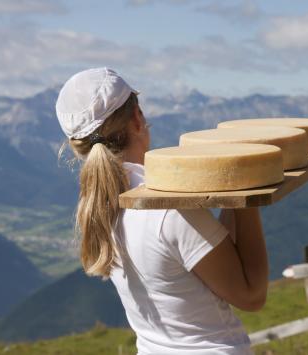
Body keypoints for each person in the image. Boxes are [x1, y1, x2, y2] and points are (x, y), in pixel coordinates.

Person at [55, 67, 268, 355]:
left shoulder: (101, 208)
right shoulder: (169, 211)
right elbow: (251, 295)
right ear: (138, 119)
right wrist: (247, 187)